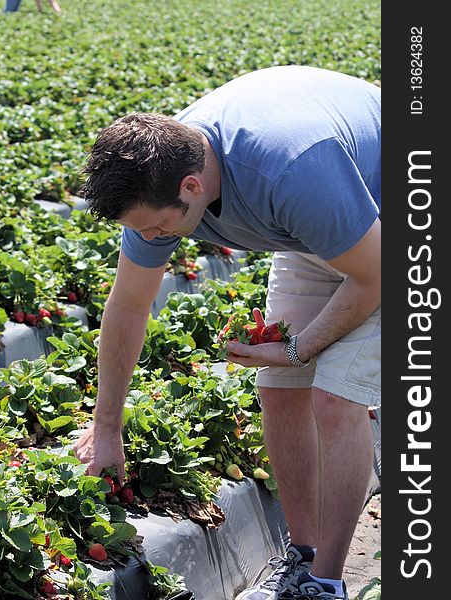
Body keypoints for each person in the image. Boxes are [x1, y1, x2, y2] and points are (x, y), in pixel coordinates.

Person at [73, 65, 381, 600]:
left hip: (393, 225)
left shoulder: (289, 169)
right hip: (317, 233)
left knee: (336, 398)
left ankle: (327, 583)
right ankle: (302, 558)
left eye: (155, 226)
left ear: (192, 187)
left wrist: (297, 348)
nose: (149, 239)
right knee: (280, 392)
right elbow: (127, 306)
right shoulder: (162, 178)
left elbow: (377, 272)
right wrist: (106, 427)